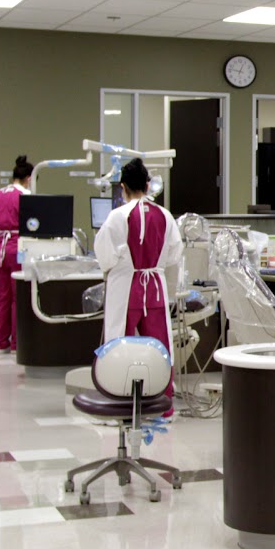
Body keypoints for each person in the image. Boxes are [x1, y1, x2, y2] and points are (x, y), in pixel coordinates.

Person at [94, 158, 183, 409]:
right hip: (154, 288)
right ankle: (163, 403)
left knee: (118, 346)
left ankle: (119, 400)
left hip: (126, 289)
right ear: (147, 184)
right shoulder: (165, 216)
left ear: (122, 187)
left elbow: (105, 255)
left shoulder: (117, 216)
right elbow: (174, 254)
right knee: (160, 347)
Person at [0, 158, 33, 351]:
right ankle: (16, 343)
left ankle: (0, 341)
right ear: (28, 178)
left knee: (1, 296)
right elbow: (32, 225)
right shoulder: (25, 196)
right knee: (17, 297)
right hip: (17, 249)